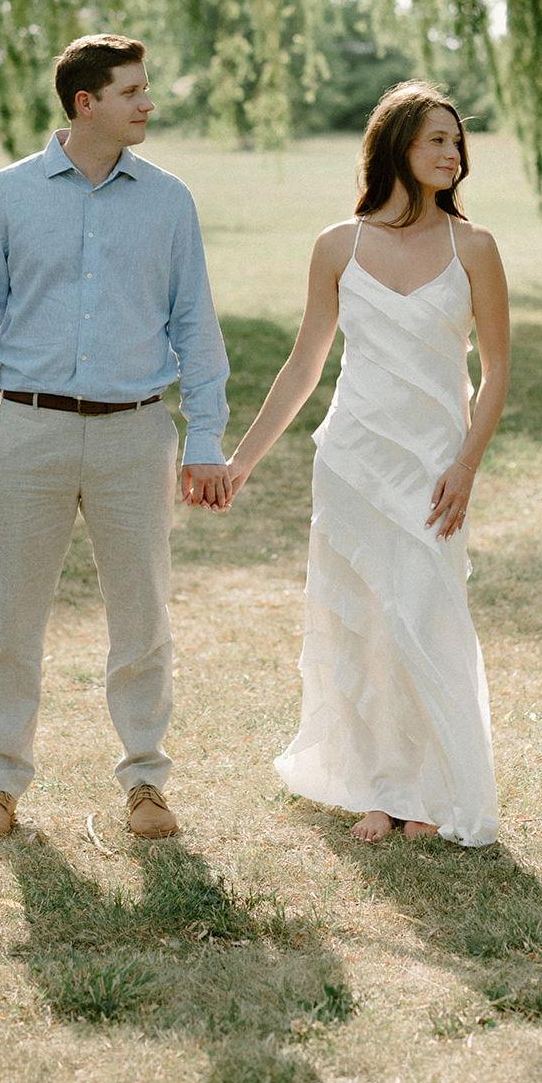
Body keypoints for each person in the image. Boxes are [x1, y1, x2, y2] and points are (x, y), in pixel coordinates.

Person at [0, 34, 231, 842]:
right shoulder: (5, 196)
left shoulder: (169, 201)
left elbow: (195, 324)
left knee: (142, 620)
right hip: (26, 433)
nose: (148, 103)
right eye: (132, 91)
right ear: (86, 102)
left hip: (135, 436)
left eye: (145, 88)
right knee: (13, 621)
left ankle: (146, 782)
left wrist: (204, 438)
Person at [226, 82, 509, 846]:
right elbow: (304, 366)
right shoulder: (337, 246)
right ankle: (379, 791)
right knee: (362, 627)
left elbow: (497, 372)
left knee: (427, 618)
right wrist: (243, 460)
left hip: (434, 467)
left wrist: (466, 466)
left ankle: (432, 791)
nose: (453, 153)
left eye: (457, 141)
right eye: (436, 140)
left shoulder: (474, 248)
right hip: (353, 460)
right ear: (396, 147)